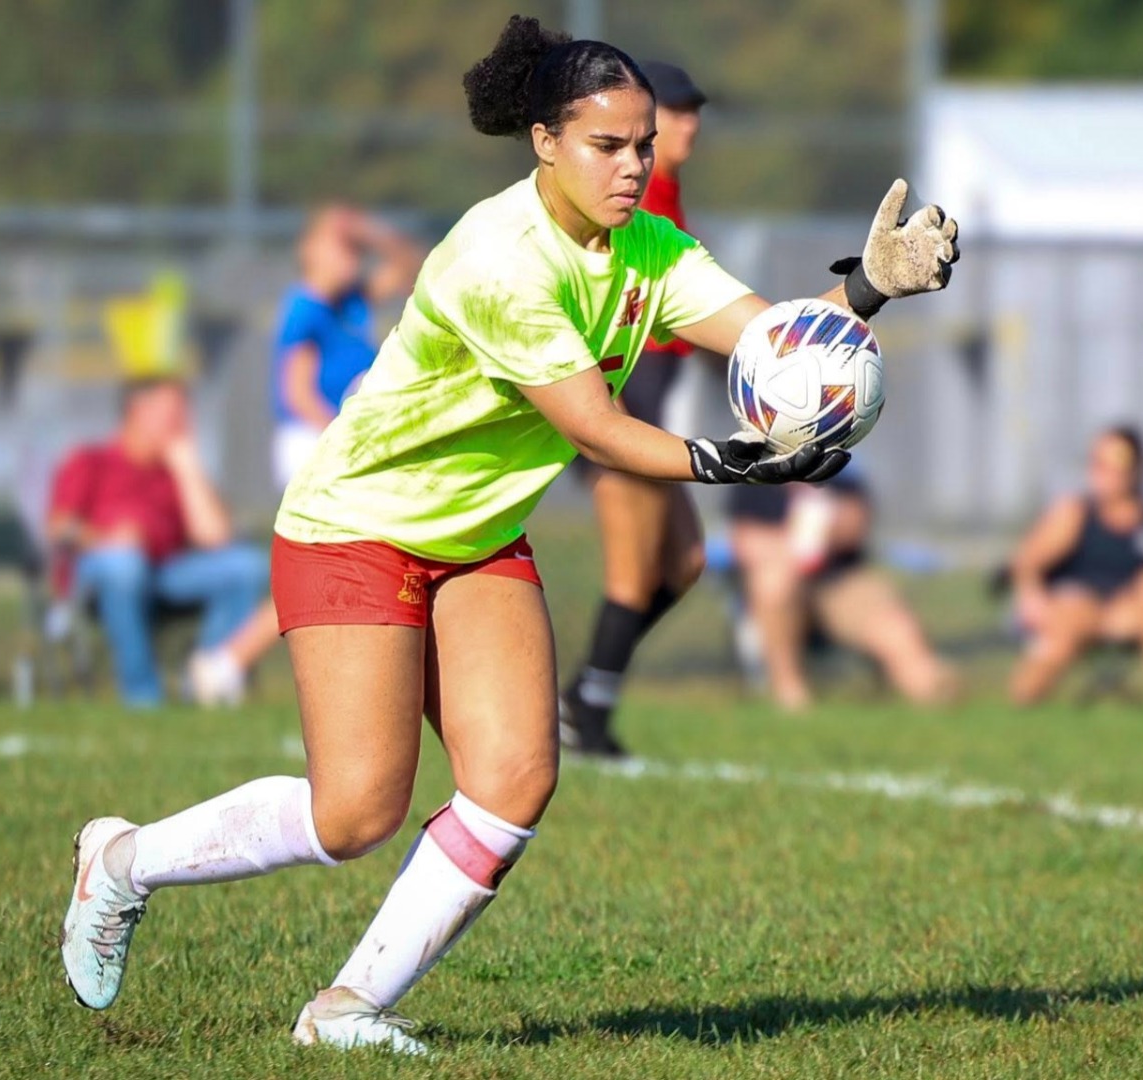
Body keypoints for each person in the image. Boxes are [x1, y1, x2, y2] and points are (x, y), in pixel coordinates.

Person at [58, 14, 958, 1057]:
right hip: (357, 527)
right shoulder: (499, 258)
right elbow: (595, 427)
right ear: (544, 141)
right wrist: (734, 462)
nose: (633, 167)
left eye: (644, 146)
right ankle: (121, 862)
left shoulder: (649, 246)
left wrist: (868, 289)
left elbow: (771, 343)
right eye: (606, 146)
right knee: (355, 815)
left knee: (515, 778)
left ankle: (347, 1010)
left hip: (478, 537)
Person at [558, 59, 710, 758]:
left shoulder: (666, 197)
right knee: (633, 570)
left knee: (685, 560)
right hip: (619, 405)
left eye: (693, 111)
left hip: (653, 407)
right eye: (675, 112)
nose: (689, 125)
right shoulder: (629, 202)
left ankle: (585, 694)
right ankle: (587, 713)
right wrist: (604, 414)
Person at [47, 378, 282, 708]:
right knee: (124, 565)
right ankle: (144, 698)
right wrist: (107, 539)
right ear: (137, 411)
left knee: (246, 567)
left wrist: (186, 465)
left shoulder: (174, 471)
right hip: (101, 574)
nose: (183, 422)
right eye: (172, 413)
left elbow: (216, 537)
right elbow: (58, 528)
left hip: (164, 573)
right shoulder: (90, 460)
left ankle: (208, 679)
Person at [1006, 425, 1143, 710]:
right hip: (1076, 610)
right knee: (1071, 608)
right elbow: (1027, 561)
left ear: (1136, 469)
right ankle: (1022, 702)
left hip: (1131, 613)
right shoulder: (1074, 514)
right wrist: (1030, 594)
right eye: (1097, 461)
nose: (1103, 471)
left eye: (1114, 463)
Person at [728, 465, 959, 711]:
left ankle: (931, 686)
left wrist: (813, 532)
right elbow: (747, 543)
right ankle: (790, 693)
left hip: (841, 583)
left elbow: (854, 525)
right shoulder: (753, 479)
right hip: (785, 586)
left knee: (899, 635)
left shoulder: (840, 472)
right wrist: (803, 543)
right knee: (774, 582)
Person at [270, 203, 425, 485]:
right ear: (310, 249)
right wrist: (347, 441)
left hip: (347, 437)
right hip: (314, 439)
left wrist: (370, 232)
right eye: (340, 247)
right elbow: (298, 394)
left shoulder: (354, 300)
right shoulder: (305, 308)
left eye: (355, 249)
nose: (350, 257)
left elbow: (410, 268)